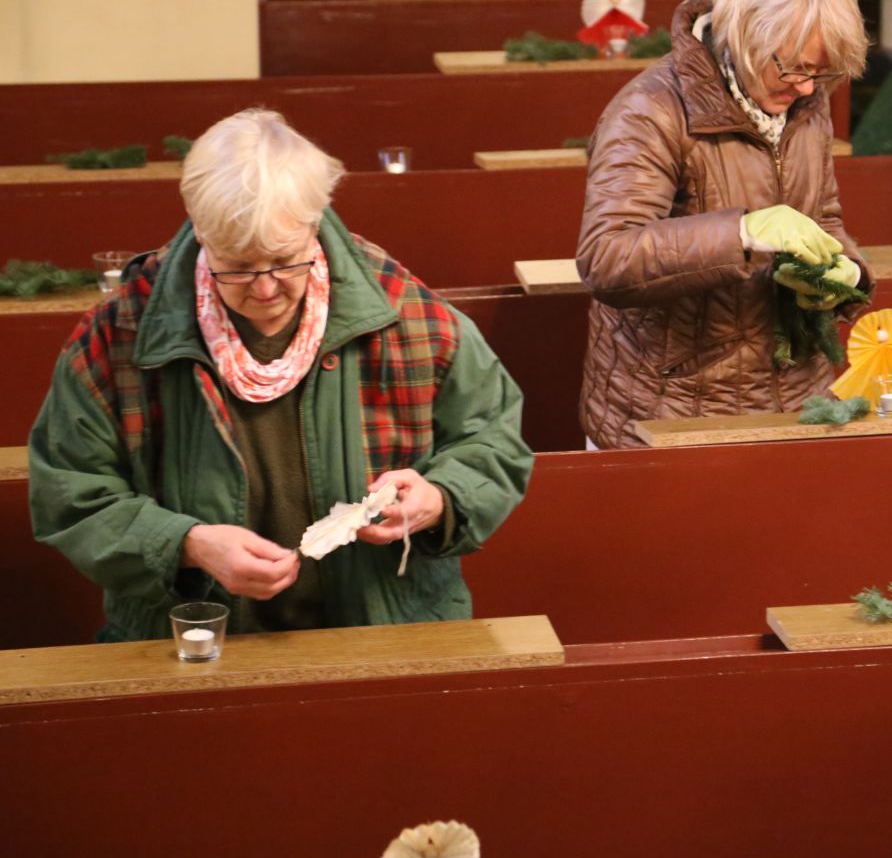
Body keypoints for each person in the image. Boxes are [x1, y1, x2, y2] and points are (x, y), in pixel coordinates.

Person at [28, 110, 533, 641]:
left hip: (387, 629)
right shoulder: (122, 333)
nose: (265, 289)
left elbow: (494, 442)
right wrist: (187, 544)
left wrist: (440, 499)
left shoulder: (406, 315)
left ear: (314, 225)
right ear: (201, 233)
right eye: (238, 267)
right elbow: (70, 492)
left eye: (286, 261)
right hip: (195, 642)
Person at [577, 0, 871, 449]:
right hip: (671, 407)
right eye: (794, 68)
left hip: (796, 400)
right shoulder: (649, 111)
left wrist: (846, 274)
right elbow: (607, 258)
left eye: (821, 74)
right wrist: (743, 231)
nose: (806, 88)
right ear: (745, 34)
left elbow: (824, 217)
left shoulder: (803, 101)